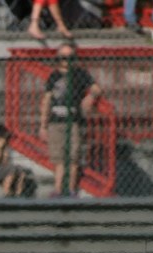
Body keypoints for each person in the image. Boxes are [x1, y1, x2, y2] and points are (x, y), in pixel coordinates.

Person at [38, 43, 99, 196]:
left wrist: (91, 96)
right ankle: (58, 189)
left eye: (70, 58)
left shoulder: (80, 74)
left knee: (73, 158)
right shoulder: (54, 76)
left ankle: (71, 189)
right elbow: (47, 100)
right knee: (58, 159)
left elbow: (96, 88)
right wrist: (43, 125)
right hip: (55, 121)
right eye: (63, 58)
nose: (67, 61)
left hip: (73, 122)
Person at [0, 123, 33, 197]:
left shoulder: (3, 146)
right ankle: (6, 193)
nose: (6, 140)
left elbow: (5, 162)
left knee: (21, 170)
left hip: (1, 168)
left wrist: (4, 150)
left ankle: (18, 193)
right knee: (11, 169)